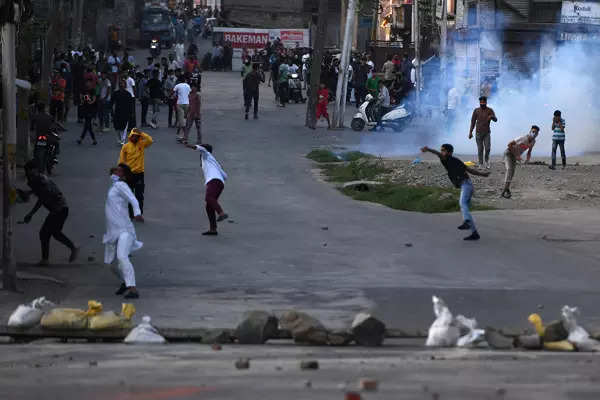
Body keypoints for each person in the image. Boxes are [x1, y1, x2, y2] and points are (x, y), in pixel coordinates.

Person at [421, 144, 490, 241]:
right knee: (465, 207)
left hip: (466, 185)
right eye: (441, 150)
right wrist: (483, 174)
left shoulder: (455, 160)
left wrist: (428, 149)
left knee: (462, 203)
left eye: (444, 150)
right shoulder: (445, 160)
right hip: (465, 185)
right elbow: (439, 155)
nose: (441, 152)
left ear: (450, 152)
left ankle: (466, 222)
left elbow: (470, 170)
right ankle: (474, 233)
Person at [22, 161, 79, 265]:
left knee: (45, 233)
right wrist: (29, 193)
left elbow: (42, 198)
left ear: (35, 170)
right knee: (53, 233)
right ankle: (71, 248)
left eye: (32, 171)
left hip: (59, 209)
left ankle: (46, 259)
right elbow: (40, 193)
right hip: (58, 208)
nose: (30, 173)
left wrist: (31, 214)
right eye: (28, 171)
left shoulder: (40, 180)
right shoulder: (34, 180)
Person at [104, 164, 144, 299]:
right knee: (110, 263)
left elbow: (133, 199)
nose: (116, 170)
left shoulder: (122, 186)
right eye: (116, 169)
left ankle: (133, 289)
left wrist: (138, 213)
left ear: (124, 175)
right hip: (112, 232)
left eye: (119, 170)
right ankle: (125, 282)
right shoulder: (115, 185)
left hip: (124, 230)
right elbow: (111, 172)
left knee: (122, 257)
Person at [185, 144, 228, 235]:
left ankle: (221, 213)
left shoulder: (207, 155)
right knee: (209, 206)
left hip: (214, 181)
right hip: (220, 183)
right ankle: (213, 229)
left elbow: (201, 148)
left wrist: (189, 146)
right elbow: (225, 176)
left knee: (209, 198)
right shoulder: (214, 162)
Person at [118, 128, 153, 219]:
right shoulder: (125, 146)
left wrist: (141, 133)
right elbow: (121, 161)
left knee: (139, 195)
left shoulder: (141, 144)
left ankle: (138, 214)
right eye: (134, 136)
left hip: (139, 174)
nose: (135, 138)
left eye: (137, 136)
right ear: (130, 136)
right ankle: (130, 214)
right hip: (128, 175)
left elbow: (150, 140)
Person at [501, 125, 539, 199]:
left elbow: (529, 151)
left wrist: (527, 160)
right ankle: (504, 191)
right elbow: (509, 144)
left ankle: (506, 190)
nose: (534, 134)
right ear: (530, 131)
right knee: (509, 170)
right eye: (533, 132)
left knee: (511, 174)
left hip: (515, 157)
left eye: (536, 133)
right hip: (509, 153)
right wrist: (516, 155)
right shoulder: (522, 138)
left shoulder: (533, 142)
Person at [469, 96, 497, 169]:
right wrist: (470, 132)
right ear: (479, 102)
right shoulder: (476, 110)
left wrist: (491, 117)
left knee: (487, 148)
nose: (482, 103)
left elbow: (496, 119)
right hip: (478, 132)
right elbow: (473, 122)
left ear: (486, 102)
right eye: (481, 102)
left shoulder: (490, 110)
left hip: (487, 133)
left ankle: (487, 161)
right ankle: (480, 163)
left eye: (483, 102)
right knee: (480, 149)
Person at [111, 79, 134, 145]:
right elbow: (111, 103)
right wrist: (111, 111)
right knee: (117, 127)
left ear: (125, 85)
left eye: (123, 84)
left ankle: (123, 140)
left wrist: (131, 113)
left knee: (124, 127)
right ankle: (120, 138)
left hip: (125, 113)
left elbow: (130, 105)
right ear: (119, 85)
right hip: (117, 112)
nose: (121, 85)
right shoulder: (115, 93)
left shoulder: (128, 94)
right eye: (120, 83)